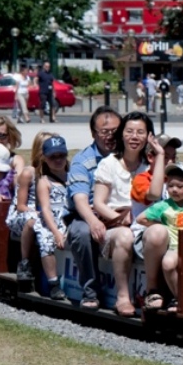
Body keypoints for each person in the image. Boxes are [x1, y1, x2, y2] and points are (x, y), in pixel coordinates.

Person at [131, 134, 183, 311]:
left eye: (173, 156)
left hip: (179, 243)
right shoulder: (144, 179)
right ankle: (153, 290)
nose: (170, 159)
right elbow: (155, 194)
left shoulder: (179, 185)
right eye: (166, 156)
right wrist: (159, 157)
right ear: (151, 156)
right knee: (159, 232)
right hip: (149, 238)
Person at [92, 111, 153, 317]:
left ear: (148, 136)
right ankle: (123, 297)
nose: (134, 137)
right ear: (121, 135)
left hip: (144, 223)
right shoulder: (108, 164)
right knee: (126, 236)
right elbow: (99, 203)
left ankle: (157, 295)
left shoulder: (151, 166)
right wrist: (121, 219)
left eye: (140, 132)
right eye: (129, 131)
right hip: (115, 226)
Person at [66, 106, 121, 310]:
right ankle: (90, 290)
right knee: (81, 232)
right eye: (105, 132)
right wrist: (94, 221)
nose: (110, 136)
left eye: (115, 131)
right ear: (93, 133)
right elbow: (79, 199)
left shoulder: (127, 156)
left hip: (118, 212)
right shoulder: (83, 160)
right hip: (86, 213)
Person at [139, 162, 183, 314]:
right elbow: (141, 218)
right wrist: (160, 223)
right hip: (174, 246)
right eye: (170, 186)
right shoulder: (163, 205)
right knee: (168, 264)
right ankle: (179, 297)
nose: (174, 190)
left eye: (180, 186)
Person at [8, 131, 52, 280]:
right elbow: (20, 205)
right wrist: (40, 213)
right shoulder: (29, 173)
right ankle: (25, 262)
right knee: (33, 221)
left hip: (47, 211)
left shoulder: (58, 172)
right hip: (24, 213)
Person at [34, 135, 70, 300]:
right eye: (53, 157)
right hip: (52, 221)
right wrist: (56, 232)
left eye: (61, 156)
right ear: (45, 159)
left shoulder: (73, 176)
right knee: (46, 240)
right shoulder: (44, 181)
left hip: (70, 217)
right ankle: (53, 282)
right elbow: (46, 209)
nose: (58, 160)